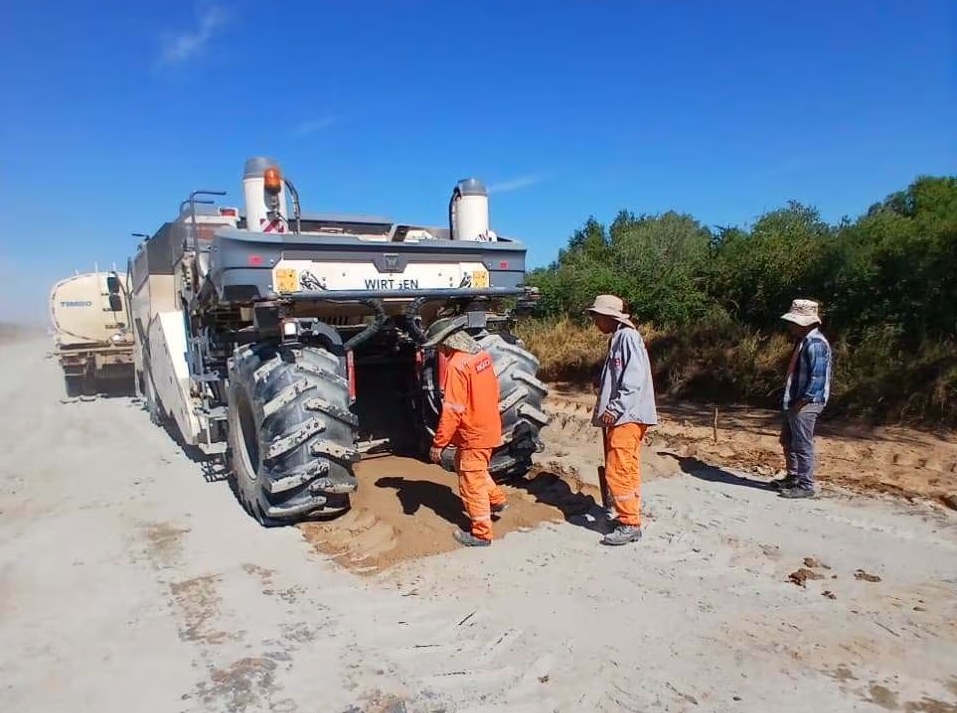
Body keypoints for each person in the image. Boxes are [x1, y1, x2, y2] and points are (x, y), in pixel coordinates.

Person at [425, 317, 508, 547]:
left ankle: (481, 533)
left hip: (474, 432)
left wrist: (438, 444)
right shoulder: (480, 357)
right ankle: (497, 500)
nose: (439, 350)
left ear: (448, 342)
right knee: (473, 467)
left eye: (439, 345)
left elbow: (452, 410)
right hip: (489, 425)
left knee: (471, 480)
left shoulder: (456, 365)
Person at [586, 295, 658, 545]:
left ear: (609, 316)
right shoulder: (619, 338)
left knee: (617, 469)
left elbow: (633, 380)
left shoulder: (628, 337)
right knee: (626, 467)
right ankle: (630, 512)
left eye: (596, 316)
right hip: (626, 415)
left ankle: (629, 523)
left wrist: (614, 408)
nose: (595, 321)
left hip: (627, 416)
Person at [773, 298, 833, 499]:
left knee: (802, 442)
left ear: (804, 323)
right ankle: (794, 477)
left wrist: (801, 403)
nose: (790, 326)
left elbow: (817, 379)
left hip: (806, 402)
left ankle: (806, 484)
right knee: (788, 439)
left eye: (793, 322)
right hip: (796, 400)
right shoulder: (804, 341)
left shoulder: (815, 345)